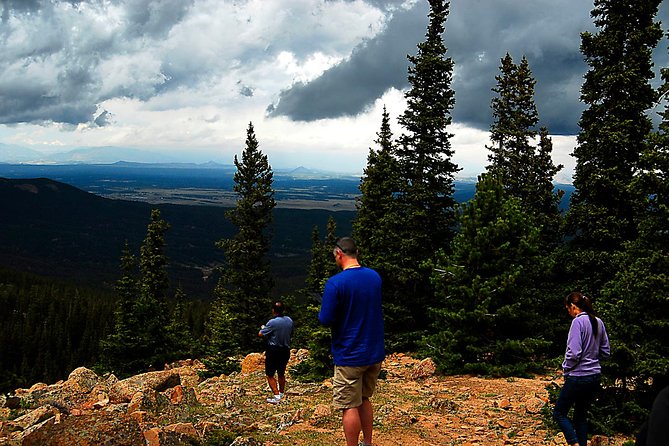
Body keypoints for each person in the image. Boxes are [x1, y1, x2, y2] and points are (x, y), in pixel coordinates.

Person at [318, 236, 385, 446]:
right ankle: (368, 442)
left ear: (339, 253)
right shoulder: (374, 277)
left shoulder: (336, 283)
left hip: (349, 353)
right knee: (364, 399)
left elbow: (326, 319)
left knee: (349, 405)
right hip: (373, 350)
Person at [553, 292, 611, 446]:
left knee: (559, 413)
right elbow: (605, 352)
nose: (568, 312)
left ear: (573, 307)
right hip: (594, 376)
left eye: (568, 309)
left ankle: (574, 443)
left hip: (578, 376)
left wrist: (565, 368)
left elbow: (574, 353)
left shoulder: (578, 323)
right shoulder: (598, 322)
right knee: (581, 416)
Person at [258, 301, 294, 404]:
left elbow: (260, 334)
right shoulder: (289, 320)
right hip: (285, 350)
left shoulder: (272, 322)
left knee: (270, 374)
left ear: (273, 310)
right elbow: (291, 333)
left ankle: (276, 396)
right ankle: (281, 393)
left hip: (273, 350)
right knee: (281, 373)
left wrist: (263, 328)